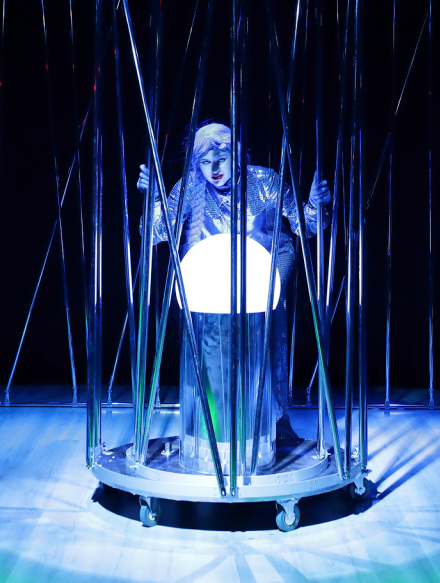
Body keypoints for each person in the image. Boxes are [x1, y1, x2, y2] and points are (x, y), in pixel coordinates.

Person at [137, 121, 330, 445]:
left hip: (265, 265)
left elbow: (306, 227)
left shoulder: (264, 180)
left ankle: (276, 419)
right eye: (205, 161)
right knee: (215, 338)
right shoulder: (190, 186)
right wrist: (154, 199)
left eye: (221, 158)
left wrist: (314, 205)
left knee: (265, 329)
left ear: (236, 154)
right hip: (214, 272)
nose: (213, 169)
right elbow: (156, 234)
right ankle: (215, 418)